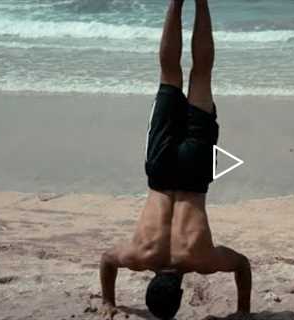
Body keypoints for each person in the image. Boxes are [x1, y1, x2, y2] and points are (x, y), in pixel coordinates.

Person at [99, 0, 251, 319]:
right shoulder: (138, 255)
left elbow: (242, 265)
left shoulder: (203, 260)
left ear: (181, 291)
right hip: (159, 171)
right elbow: (107, 260)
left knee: (201, 74)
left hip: (195, 176)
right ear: (148, 284)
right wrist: (107, 302)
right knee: (169, 74)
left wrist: (243, 312)